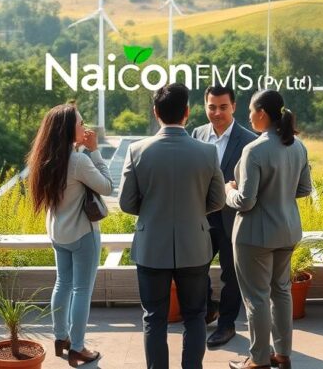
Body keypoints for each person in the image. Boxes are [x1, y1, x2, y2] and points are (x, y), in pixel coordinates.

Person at [120, 83, 226, 369]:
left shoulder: (137, 150)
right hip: (195, 245)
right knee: (195, 315)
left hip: (152, 246)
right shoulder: (206, 152)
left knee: (154, 317)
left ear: (156, 112)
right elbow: (218, 199)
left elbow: (126, 203)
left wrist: (155, 211)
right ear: (188, 113)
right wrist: (191, 211)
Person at [226, 90, 312, 369]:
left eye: (250, 110)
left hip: (254, 235)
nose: (248, 116)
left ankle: (258, 360)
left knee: (257, 298)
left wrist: (228, 191)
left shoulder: (255, 150)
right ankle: (283, 354)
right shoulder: (298, 146)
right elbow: (304, 188)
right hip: (287, 230)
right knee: (281, 292)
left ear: (262, 113)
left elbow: (245, 201)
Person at [27, 103, 113, 367]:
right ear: (67, 129)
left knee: (62, 284)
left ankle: (60, 338)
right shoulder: (78, 161)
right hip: (82, 235)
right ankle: (77, 348)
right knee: (81, 290)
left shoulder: (43, 159)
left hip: (57, 233)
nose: (84, 127)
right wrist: (96, 152)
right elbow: (107, 187)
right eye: (79, 123)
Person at [190, 84, 257, 347]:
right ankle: (209, 309)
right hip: (202, 216)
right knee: (196, 268)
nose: (217, 112)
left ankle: (227, 324)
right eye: (211, 107)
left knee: (231, 275)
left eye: (223, 107)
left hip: (233, 218)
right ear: (205, 105)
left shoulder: (249, 141)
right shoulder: (197, 134)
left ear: (234, 107)